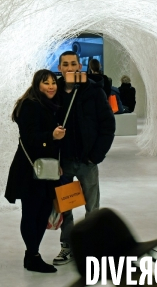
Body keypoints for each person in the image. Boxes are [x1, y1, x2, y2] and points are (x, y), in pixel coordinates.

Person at [53, 51, 116, 266]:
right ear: (60, 68)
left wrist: (96, 155)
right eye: (65, 64)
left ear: (80, 66)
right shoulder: (55, 93)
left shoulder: (93, 91)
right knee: (65, 207)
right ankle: (67, 246)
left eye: (73, 64)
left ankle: (92, 247)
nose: (70, 67)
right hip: (64, 163)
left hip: (87, 161)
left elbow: (107, 125)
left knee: (92, 207)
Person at [4, 69, 66, 273]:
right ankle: (32, 255)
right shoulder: (30, 105)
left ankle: (32, 254)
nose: (51, 86)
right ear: (37, 84)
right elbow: (29, 137)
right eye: (46, 83)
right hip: (30, 170)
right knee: (31, 213)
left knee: (42, 212)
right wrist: (52, 135)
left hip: (45, 169)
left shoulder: (48, 105)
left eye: (53, 83)